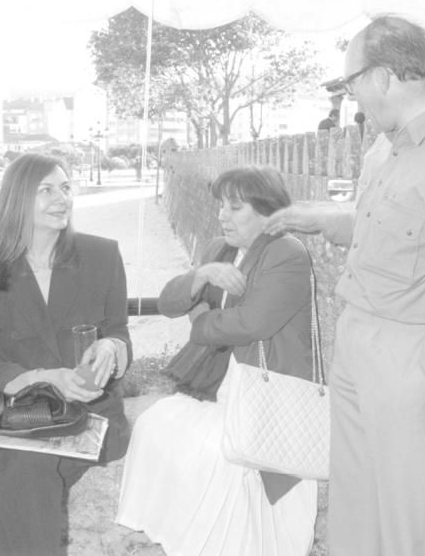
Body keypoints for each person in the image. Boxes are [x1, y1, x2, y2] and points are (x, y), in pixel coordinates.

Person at [265, 15, 425, 555]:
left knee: (406, 522)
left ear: (382, 77)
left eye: (352, 84)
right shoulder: (387, 145)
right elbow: (392, 232)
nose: (353, 98)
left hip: (409, 356)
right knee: (355, 507)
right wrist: (322, 217)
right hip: (357, 339)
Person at [116, 165, 318, 556]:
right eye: (221, 205)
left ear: (267, 212)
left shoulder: (287, 254)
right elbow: (171, 303)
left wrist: (199, 322)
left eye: (235, 207)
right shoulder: (216, 249)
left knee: (213, 452)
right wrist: (201, 274)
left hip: (265, 388)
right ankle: (179, 537)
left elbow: (251, 323)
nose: (222, 215)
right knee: (156, 426)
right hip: (218, 383)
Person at [0, 152, 131, 556]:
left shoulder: (102, 255)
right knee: (27, 469)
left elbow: (119, 331)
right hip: (24, 413)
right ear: (18, 198)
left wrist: (111, 347)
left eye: (66, 187)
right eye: (46, 190)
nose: (62, 198)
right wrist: (45, 378)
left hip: (91, 413)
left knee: (22, 480)